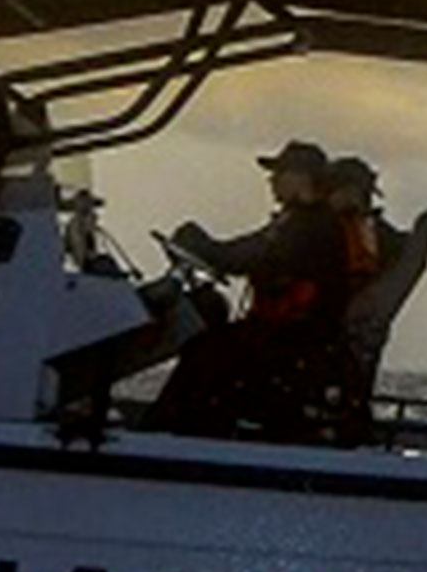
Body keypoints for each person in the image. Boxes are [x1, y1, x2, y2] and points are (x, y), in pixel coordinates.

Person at [150, 141, 375, 438]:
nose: (272, 181)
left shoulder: (312, 225)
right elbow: (242, 251)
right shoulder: (296, 221)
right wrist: (205, 247)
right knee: (206, 347)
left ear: (302, 177)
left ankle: (169, 434)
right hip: (284, 334)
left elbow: (244, 255)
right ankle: (184, 429)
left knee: (203, 352)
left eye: (280, 173)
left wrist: (201, 244)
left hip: (294, 339)